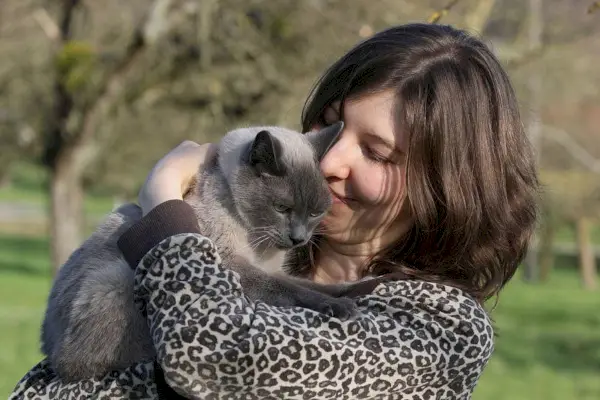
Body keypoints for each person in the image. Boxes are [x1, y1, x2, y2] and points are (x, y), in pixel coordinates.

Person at [10, 23, 538, 400]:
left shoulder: (440, 331)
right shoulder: (255, 249)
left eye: (376, 152)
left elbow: (216, 360)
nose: (330, 160)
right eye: (328, 128)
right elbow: (55, 382)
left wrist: (167, 209)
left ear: (448, 185)